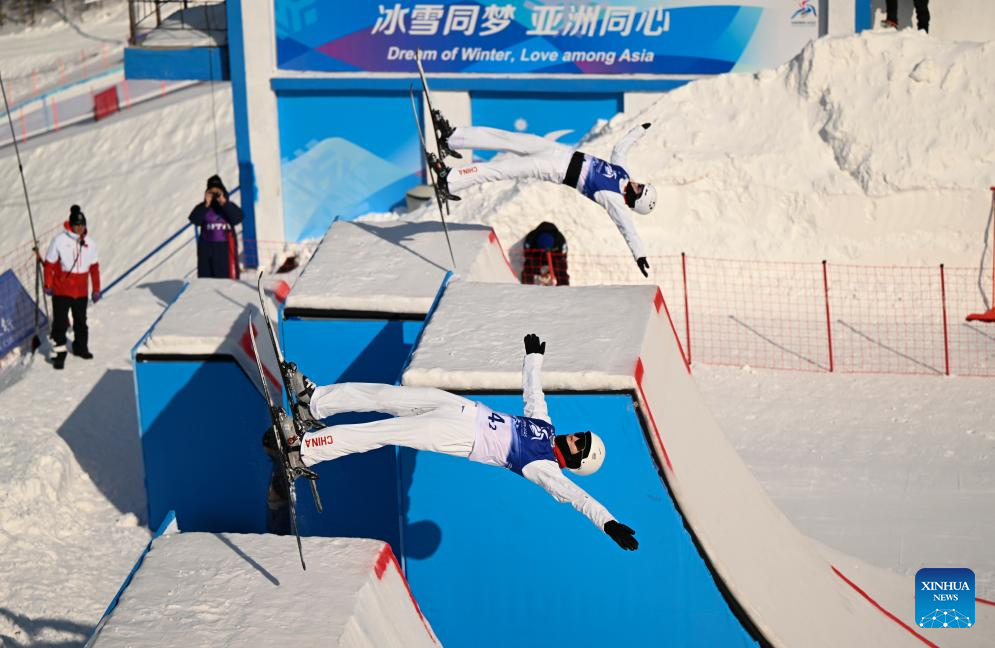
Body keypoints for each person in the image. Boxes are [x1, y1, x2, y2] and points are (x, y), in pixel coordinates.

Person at [285, 334, 639, 551]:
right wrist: (534, 359)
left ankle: (307, 449)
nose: (576, 438)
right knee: (388, 396)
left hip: (462, 436)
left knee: (384, 431)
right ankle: (315, 401)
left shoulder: (545, 468)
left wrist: (608, 523)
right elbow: (534, 394)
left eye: (581, 445)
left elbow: (580, 499)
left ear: (577, 462)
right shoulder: (545, 427)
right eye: (582, 435)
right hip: (463, 408)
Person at [428, 114, 656, 277]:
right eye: (641, 185)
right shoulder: (623, 174)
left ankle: (451, 181)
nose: (637, 184)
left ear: (636, 201)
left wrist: (640, 255)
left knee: (504, 169)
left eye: (640, 190)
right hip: (560, 152)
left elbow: (628, 229)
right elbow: (620, 149)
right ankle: (454, 137)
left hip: (556, 168)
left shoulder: (614, 200)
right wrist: (639, 130)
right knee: (510, 138)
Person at [43, 205, 100, 369]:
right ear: (71, 224)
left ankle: (81, 348)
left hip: (81, 291)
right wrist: (48, 284)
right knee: (60, 323)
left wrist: (96, 289)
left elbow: (94, 268)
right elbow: (49, 264)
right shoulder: (59, 240)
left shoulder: (90, 243)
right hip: (62, 289)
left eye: (82, 224)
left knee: (81, 322)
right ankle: (59, 354)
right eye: (77, 224)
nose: (80, 228)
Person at [189, 175, 243, 279]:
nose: (215, 195)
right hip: (206, 250)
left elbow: (238, 218)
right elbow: (194, 219)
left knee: (226, 281)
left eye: (217, 191)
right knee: (206, 280)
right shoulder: (204, 207)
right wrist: (206, 204)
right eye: (211, 192)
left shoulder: (228, 205)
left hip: (225, 249)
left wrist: (224, 202)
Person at [521, 221, 570, 286]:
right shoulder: (531, 238)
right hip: (537, 255)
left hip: (554, 255)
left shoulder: (560, 240)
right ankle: (526, 287)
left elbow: (563, 255)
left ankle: (563, 287)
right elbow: (527, 253)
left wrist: (551, 270)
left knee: (561, 266)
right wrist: (538, 270)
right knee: (528, 265)